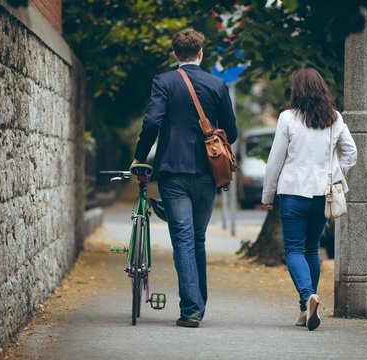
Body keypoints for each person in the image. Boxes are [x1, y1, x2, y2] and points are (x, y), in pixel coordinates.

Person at [132, 28, 237, 328]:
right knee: (197, 237)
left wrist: (140, 155)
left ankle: (192, 309)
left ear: (176, 54)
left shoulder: (164, 81)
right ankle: (197, 303)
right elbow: (232, 129)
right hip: (208, 171)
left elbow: (152, 121)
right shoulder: (217, 84)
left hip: (173, 170)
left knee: (183, 239)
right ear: (201, 53)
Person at [261, 67, 357, 331]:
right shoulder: (334, 119)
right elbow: (351, 153)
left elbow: (275, 160)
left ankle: (307, 296)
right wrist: (336, 174)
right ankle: (305, 310)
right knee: (312, 249)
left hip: (293, 193)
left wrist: (268, 194)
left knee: (293, 249)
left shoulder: (287, 119)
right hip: (321, 195)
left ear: (297, 91)